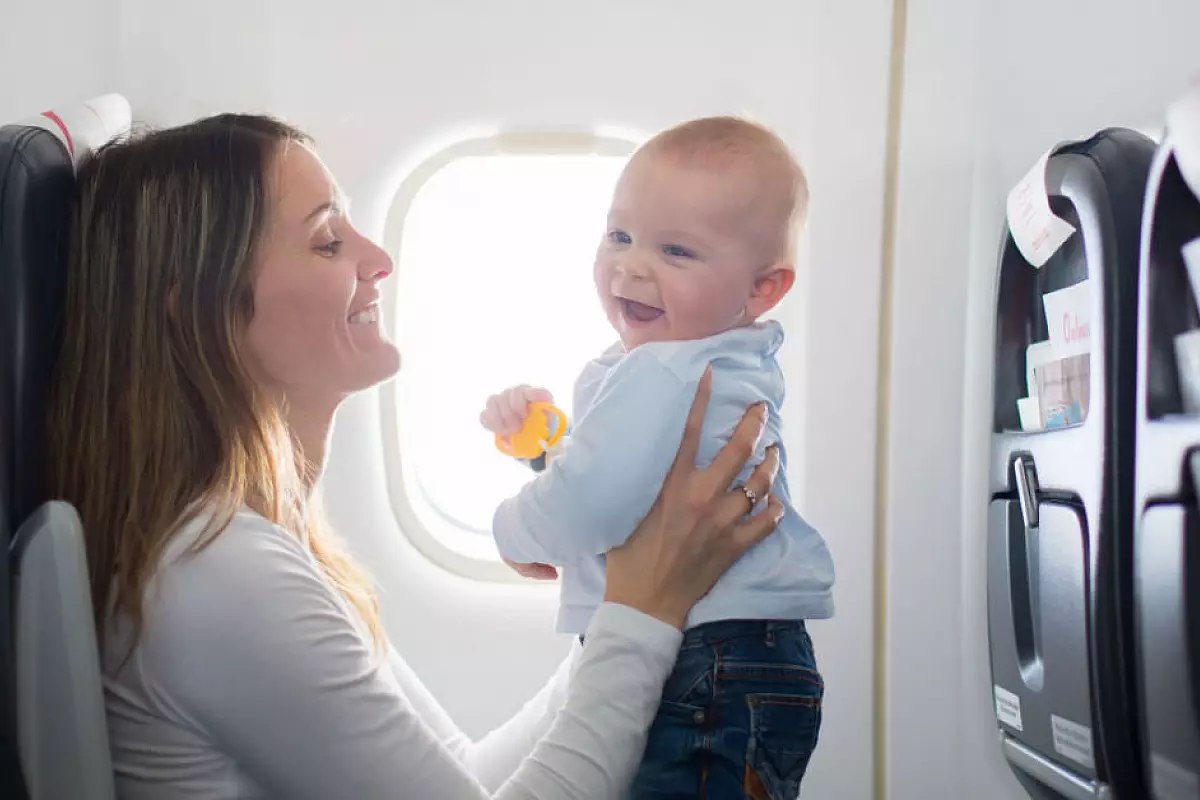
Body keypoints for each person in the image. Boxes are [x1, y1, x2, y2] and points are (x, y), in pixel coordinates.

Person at [43, 113, 785, 799]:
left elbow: (464, 774)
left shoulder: (268, 543)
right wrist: (642, 608)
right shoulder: (217, 573)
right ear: (201, 307)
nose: (379, 258)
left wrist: (638, 592)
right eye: (329, 241)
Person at [479, 116, 835, 798]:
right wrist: (544, 449)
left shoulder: (663, 372)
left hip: (703, 663)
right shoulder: (716, 360)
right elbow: (630, 482)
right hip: (748, 660)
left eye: (676, 251)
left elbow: (595, 503)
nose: (631, 265)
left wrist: (512, 529)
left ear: (763, 288)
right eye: (619, 235)